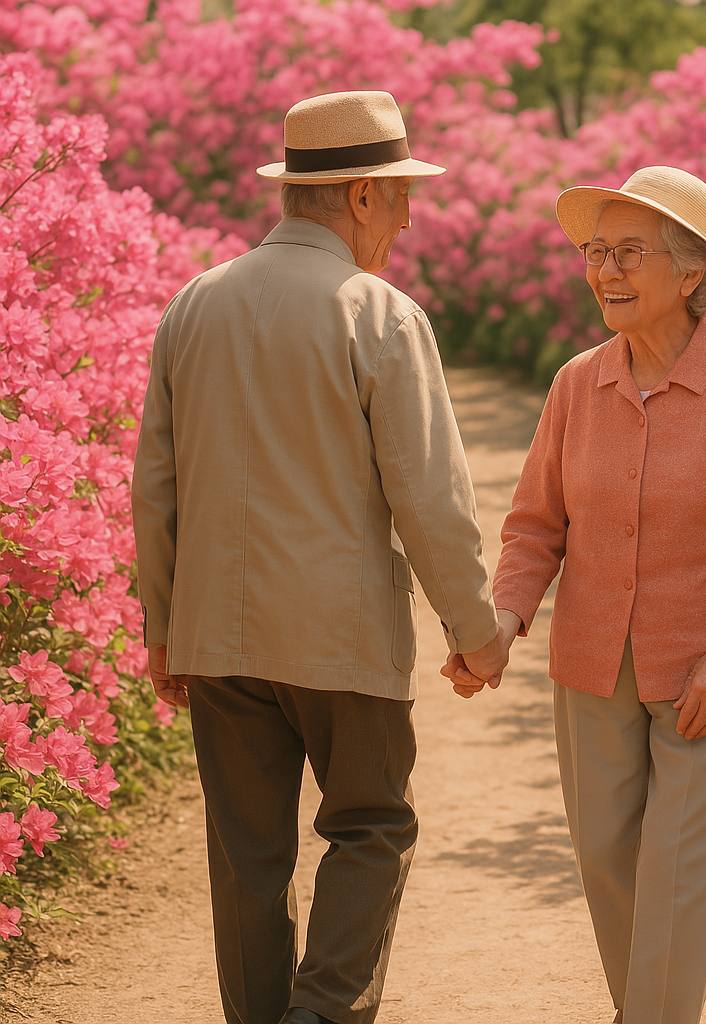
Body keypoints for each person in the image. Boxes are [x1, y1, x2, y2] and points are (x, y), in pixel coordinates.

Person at [132, 91, 507, 1024]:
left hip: (215, 633)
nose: (412, 216)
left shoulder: (193, 304)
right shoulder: (380, 314)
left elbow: (157, 488)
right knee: (374, 827)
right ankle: (326, 1014)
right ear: (363, 196)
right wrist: (475, 628)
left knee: (246, 856)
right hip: (340, 638)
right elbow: (431, 497)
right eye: (401, 194)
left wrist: (162, 631)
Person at [444, 165, 706, 1023]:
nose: (603, 271)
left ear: (691, 272)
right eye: (593, 252)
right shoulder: (578, 383)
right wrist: (501, 626)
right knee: (611, 864)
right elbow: (535, 526)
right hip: (591, 665)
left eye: (627, 253)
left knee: (678, 874)